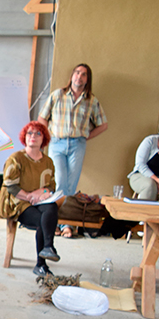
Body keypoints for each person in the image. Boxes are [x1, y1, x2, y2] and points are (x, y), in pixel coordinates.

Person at [37, 63, 108, 237]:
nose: (79, 77)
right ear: (72, 76)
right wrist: (48, 136)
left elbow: (103, 125)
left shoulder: (91, 101)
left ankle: (66, 224)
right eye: (77, 73)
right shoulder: (58, 95)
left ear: (87, 79)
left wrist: (86, 137)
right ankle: (56, 222)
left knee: (71, 185)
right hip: (57, 143)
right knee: (60, 182)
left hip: (78, 144)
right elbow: (42, 117)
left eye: (83, 74)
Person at [0, 121, 61, 277]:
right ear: (24, 137)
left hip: (39, 201)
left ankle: (48, 247)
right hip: (16, 202)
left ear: (44, 139)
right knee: (43, 221)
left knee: (51, 208)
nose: (33, 136)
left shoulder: (48, 161)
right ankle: (41, 264)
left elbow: (51, 185)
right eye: (29, 133)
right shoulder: (16, 158)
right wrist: (29, 196)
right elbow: (10, 186)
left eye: (38, 133)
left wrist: (42, 191)